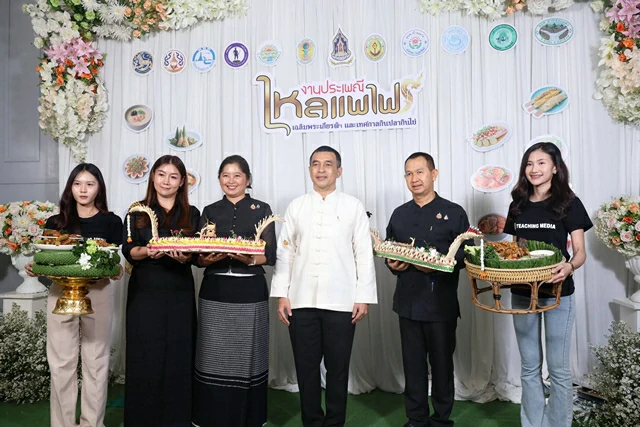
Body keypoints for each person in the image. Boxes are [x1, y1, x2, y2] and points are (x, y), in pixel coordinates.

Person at [271, 145, 377, 427]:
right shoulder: (296, 206)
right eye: (316, 164)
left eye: (328, 164)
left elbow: (363, 253)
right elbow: (285, 252)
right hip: (300, 300)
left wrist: (363, 296)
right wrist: (281, 294)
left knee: (338, 369)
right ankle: (312, 422)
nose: (321, 170)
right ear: (309, 170)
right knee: (306, 369)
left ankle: (334, 422)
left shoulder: (353, 206)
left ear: (338, 171)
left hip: (342, 301)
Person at [26, 163, 123, 427]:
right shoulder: (56, 223)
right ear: (70, 187)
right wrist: (36, 266)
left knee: (96, 360)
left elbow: (116, 262)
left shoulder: (112, 222)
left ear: (99, 188)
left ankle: (92, 423)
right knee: (61, 362)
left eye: (90, 184)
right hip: (60, 292)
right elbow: (47, 259)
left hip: (98, 292)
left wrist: (117, 270)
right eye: (78, 183)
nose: (83, 189)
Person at [504, 142, 592, 427]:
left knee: (559, 369)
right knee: (529, 367)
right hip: (522, 293)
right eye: (529, 164)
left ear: (555, 168)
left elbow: (580, 252)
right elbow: (515, 251)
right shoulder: (517, 204)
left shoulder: (569, 203)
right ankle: (532, 423)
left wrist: (569, 267)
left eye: (541, 163)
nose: (534, 169)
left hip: (558, 294)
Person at [385, 152, 471, 427]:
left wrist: (437, 266)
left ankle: (441, 419)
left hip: (440, 304)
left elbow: (466, 255)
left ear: (434, 174)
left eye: (420, 172)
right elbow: (389, 249)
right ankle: (416, 419)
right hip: (407, 303)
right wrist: (393, 264)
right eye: (409, 173)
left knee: (442, 365)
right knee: (413, 367)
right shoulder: (399, 214)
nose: (414, 178)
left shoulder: (454, 212)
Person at [192, 155, 276, 427]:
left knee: (248, 356)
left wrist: (248, 258)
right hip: (215, 290)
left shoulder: (262, 209)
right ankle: (210, 416)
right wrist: (207, 259)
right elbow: (198, 256)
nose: (231, 181)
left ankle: (249, 417)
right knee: (212, 354)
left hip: (250, 290)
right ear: (219, 179)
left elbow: (270, 254)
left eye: (237, 175)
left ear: (247, 179)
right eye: (225, 175)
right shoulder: (210, 210)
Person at [122, 155, 200, 426]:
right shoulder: (136, 212)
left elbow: (197, 253)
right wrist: (147, 251)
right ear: (153, 177)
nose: (166, 181)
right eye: (161, 174)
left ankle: (178, 418)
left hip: (179, 291)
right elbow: (128, 250)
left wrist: (185, 256)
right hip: (145, 292)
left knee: (179, 352)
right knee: (145, 354)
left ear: (182, 182)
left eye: (173, 176)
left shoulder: (193, 213)